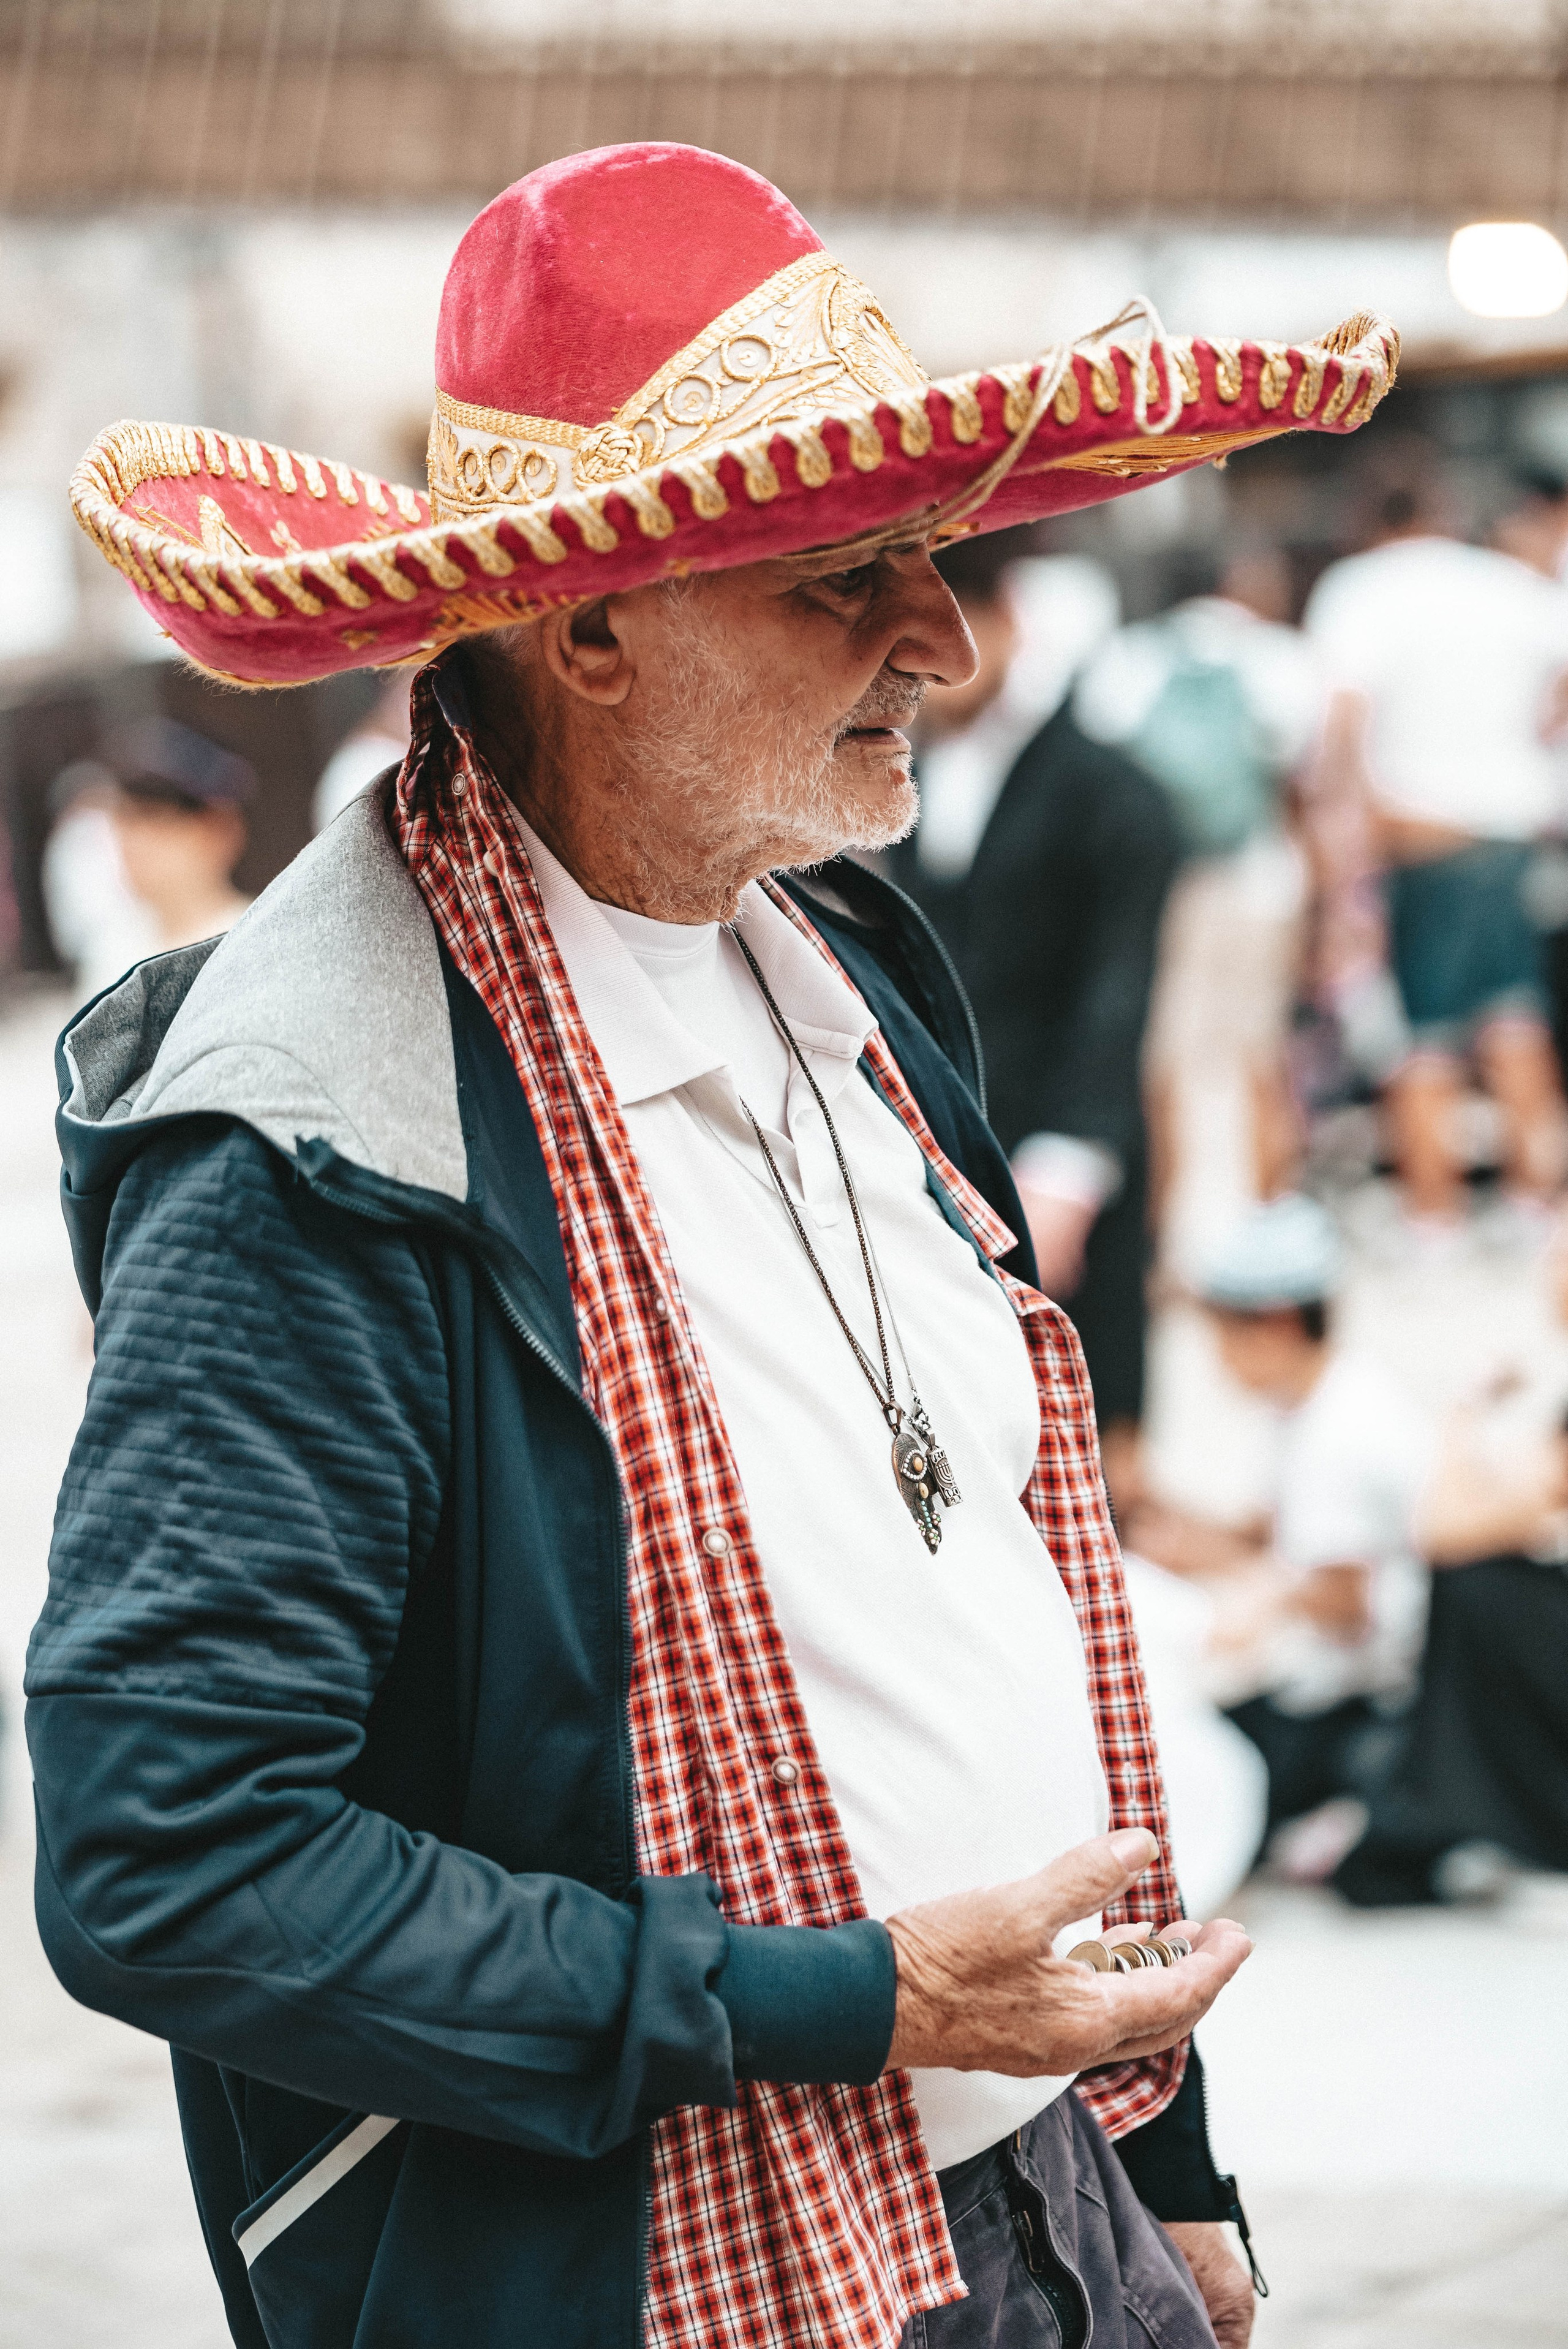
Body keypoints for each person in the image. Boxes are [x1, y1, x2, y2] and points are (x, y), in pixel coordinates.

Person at [36, 143, 1393, 2349]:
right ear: (589, 624)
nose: (940, 640)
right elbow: (165, 1859)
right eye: (844, 577)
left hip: (1036, 2176)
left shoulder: (840, 957)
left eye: (928, 564)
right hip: (660, 2262)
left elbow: (985, 1585)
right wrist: (838, 2001)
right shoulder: (311, 1142)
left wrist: (1155, 2157)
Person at [894, 528, 1182, 1456]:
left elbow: (1116, 997)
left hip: (1070, 1141)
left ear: (1008, 620)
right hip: (948, 1131)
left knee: (1087, 1416)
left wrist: (1067, 1167)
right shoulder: (903, 770)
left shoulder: (1114, 793)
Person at [1306, 471, 1568, 1238]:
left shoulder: (1360, 589)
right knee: (1514, 1017)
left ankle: (1434, 1218)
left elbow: (1343, 724)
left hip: (1421, 837)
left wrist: (1340, 842)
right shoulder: (1508, 586)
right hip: (1512, 833)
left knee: (1419, 1036)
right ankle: (1536, 1205)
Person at [1075, 545, 1323, 1275]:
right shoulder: (1276, 656)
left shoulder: (1128, 660)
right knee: (1259, 1055)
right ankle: (1267, 1231)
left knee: (1161, 1064)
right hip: (1259, 878)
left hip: (1163, 885)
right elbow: (1302, 774)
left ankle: (1164, 1242)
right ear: (1235, 579)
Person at [1196, 1195, 1436, 1851]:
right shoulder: (1311, 1405)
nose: (1216, 1359)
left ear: (1273, 1324)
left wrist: (1262, 1595)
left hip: (1371, 1704)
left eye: (1220, 1335)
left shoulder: (1341, 1427)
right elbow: (1268, 1539)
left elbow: (1343, 1603)